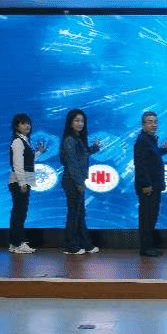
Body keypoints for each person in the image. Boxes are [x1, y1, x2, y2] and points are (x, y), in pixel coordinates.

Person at [59, 109, 101, 255]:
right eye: (76, 120)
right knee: (74, 214)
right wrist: (79, 183)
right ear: (70, 123)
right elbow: (72, 163)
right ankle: (70, 246)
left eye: (82, 121)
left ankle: (85, 243)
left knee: (80, 213)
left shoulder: (77, 139)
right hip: (72, 180)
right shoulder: (70, 139)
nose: (80, 123)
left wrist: (94, 148)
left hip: (76, 180)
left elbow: (82, 155)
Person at [134, 111, 167, 257]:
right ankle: (145, 248)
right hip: (148, 187)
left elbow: (152, 156)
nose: (153, 124)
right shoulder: (142, 141)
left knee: (151, 217)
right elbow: (140, 164)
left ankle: (149, 246)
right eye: (150, 122)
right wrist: (145, 185)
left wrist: (163, 150)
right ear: (143, 124)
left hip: (154, 185)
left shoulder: (150, 140)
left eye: (155, 122)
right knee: (147, 217)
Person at [7, 113, 46, 254]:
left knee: (20, 213)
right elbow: (17, 164)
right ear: (16, 126)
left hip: (23, 181)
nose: (27, 125)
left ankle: (15, 243)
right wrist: (22, 183)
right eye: (23, 123)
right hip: (19, 182)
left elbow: (28, 159)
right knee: (19, 214)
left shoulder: (25, 140)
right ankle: (18, 243)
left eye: (28, 123)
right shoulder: (18, 142)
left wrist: (39, 152)